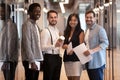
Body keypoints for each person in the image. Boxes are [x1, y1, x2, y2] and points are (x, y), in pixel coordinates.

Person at [83, 10, 109, 80]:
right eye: (87, 17)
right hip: (88, 61)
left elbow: (105, 43)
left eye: (91, 17)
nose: (88, 19)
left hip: (97, 62)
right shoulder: (87, 30)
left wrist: (92, 51)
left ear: (94, 18)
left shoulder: (100, 29)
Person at [21, 3, 43, 80]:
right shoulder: (27, 25)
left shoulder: (35, 25)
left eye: (39, 11)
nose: (38, 13)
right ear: (29, 12)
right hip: (30, 60)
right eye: (35, 11)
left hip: (36, 58)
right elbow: (27, 44)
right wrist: (32, 61)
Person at [41, 10, 63, 80]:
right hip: (49, 58)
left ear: (57, 18)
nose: (53, 19)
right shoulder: (45, 31)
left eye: (55, 17)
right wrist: (54, 46)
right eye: (51, 17)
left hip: (57, 57)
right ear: (48, 18)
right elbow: (41, 48)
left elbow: (58, 45)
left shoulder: (57, 30)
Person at [62, 13, 85, 80]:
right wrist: (65, 46)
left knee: (75, 78)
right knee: (69, 78)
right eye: (71, 20)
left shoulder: (80, 31)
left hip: (76, 59)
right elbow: (63, 45)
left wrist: (73, 50)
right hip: (67, 58)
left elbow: (81, 46)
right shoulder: (66, 31)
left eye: (75, 20)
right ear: (68, 21)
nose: (72, 22)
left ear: (78, 21)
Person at [0, 3, 18, 80]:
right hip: (6, 59)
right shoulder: (5, 24)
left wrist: (5, 61)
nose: (0, 13)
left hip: (8, 60)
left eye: (2, 11)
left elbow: (10, 45)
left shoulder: (10, 25)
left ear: (9, 12)